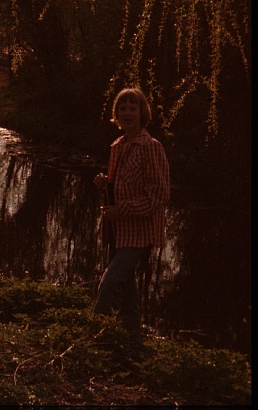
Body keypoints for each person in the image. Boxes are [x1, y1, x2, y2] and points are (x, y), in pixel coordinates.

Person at [92, 87, 170, 340]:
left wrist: (122, 210)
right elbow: (122, 186)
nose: (127, 113)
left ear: (142, 112)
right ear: (116, 114)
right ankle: (133, 344)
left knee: (110, 284)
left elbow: (158, 196)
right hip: (117, 232)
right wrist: (106, 183)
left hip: (140, 233)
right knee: (127, 292)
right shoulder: (117, 146)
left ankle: (98, 339)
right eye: (122, 108)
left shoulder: (151, 147)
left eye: (132, 108)